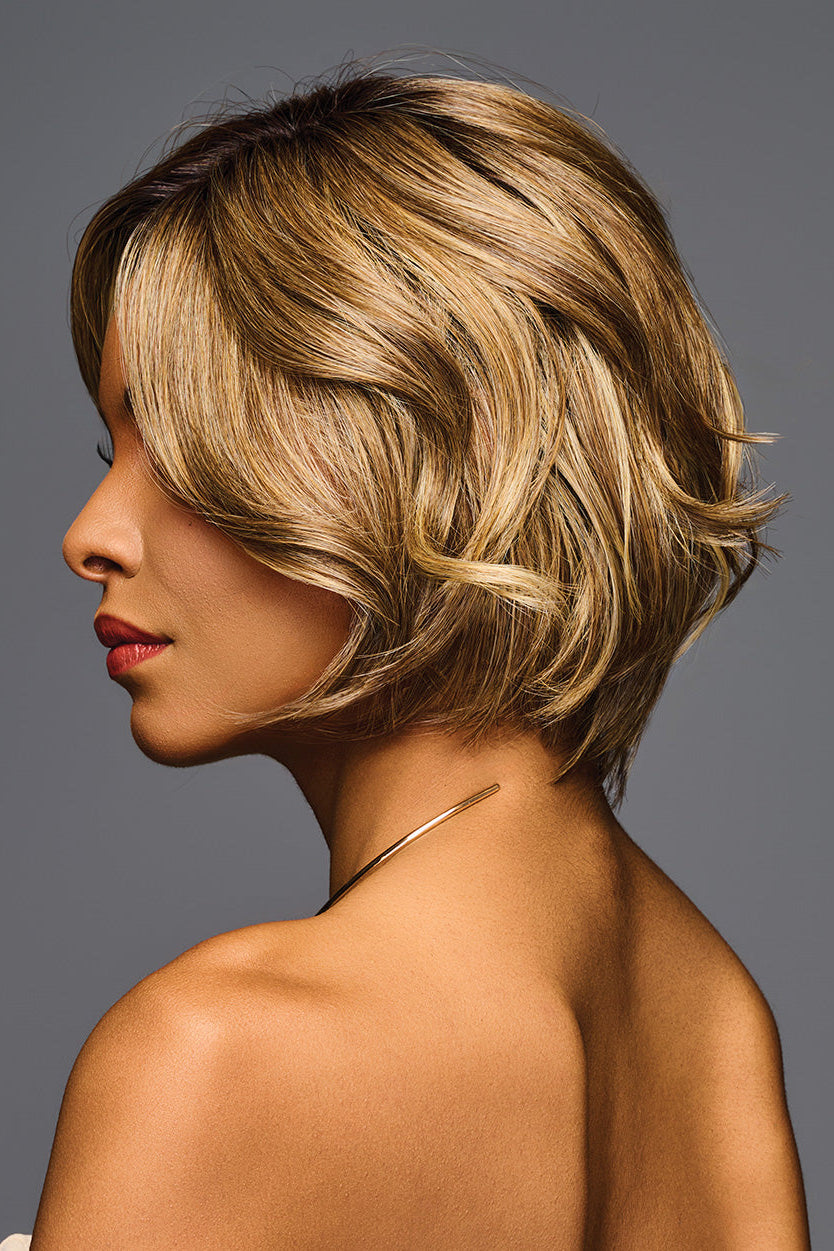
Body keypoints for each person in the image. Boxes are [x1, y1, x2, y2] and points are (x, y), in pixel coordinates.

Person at [7, 56, 811, 1249]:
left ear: (427, 462)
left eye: (179, 454)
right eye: (108, 456)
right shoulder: (714, 1021)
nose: (90, 535)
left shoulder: (218, 1051)